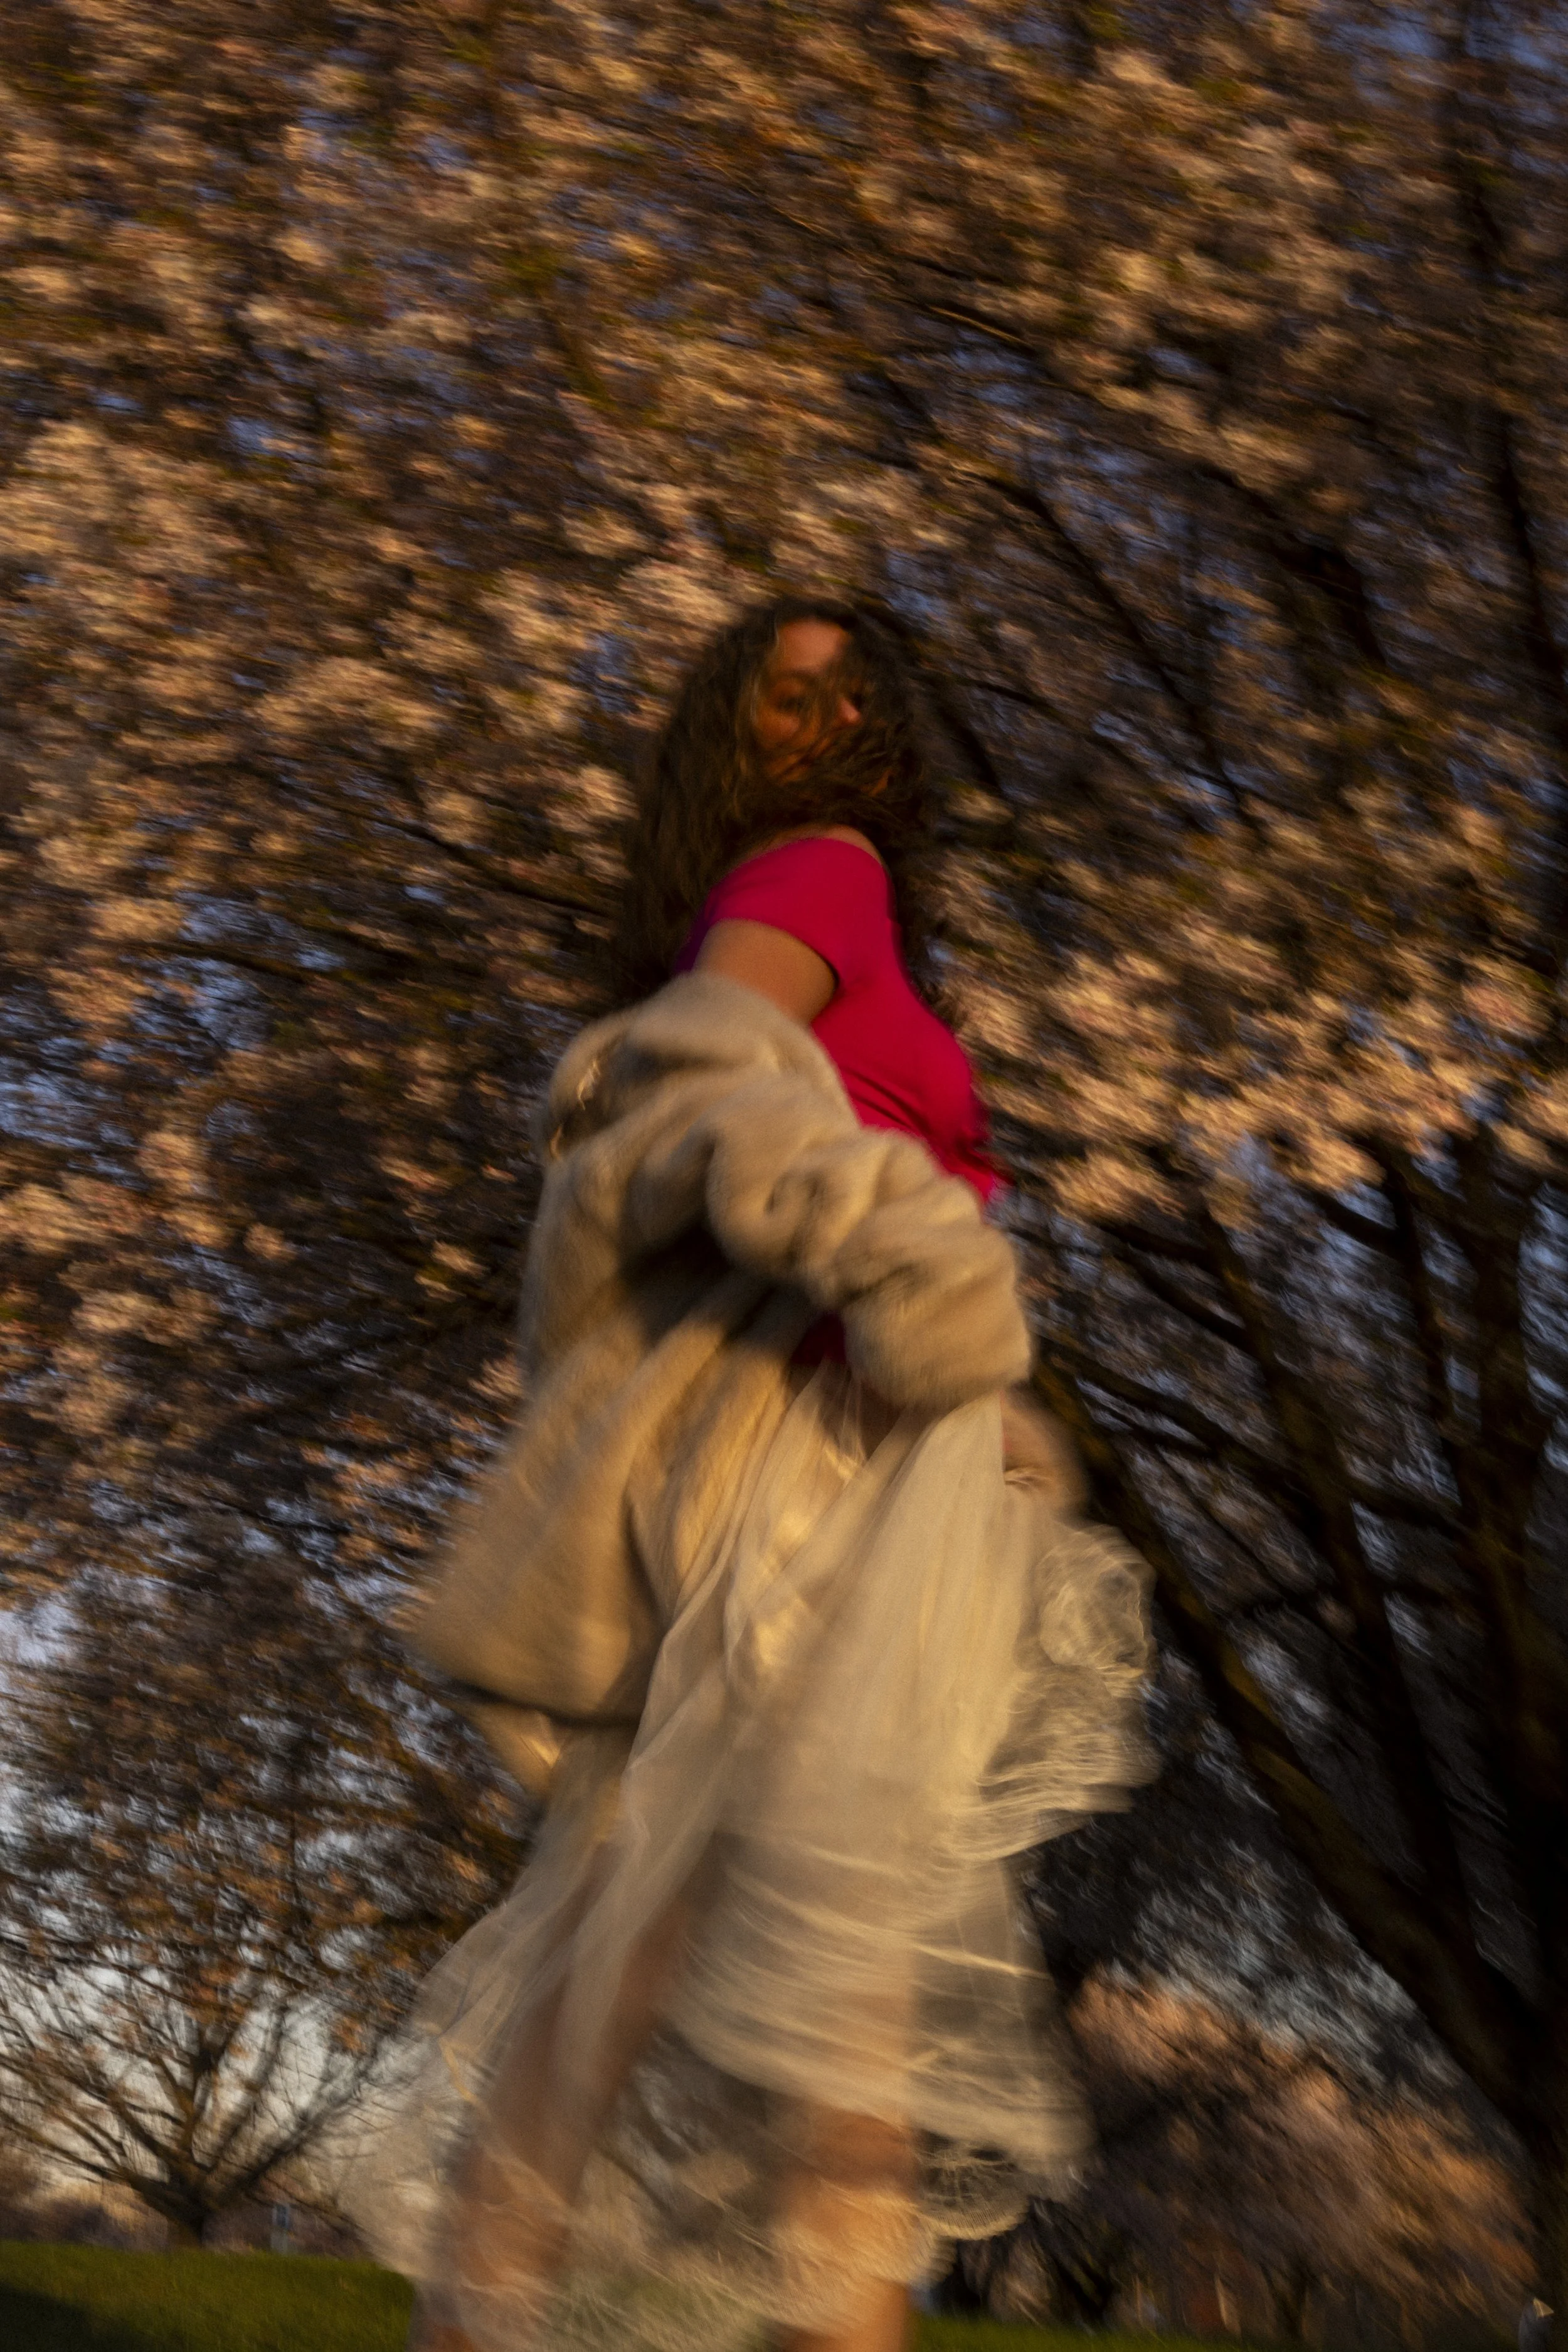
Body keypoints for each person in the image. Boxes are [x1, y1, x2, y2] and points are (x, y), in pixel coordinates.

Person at [346, 596, 1153, 2352]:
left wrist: (967, 1391)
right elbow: (700, 1078)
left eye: (857, 688)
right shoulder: (818, 870)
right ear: (730, 728)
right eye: (789, 691)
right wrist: (905, 1272)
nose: (833, 713)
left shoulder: (816, 895)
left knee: (720, 1991)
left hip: (834, 1477)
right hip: (790, 1497)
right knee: (734, 1996)